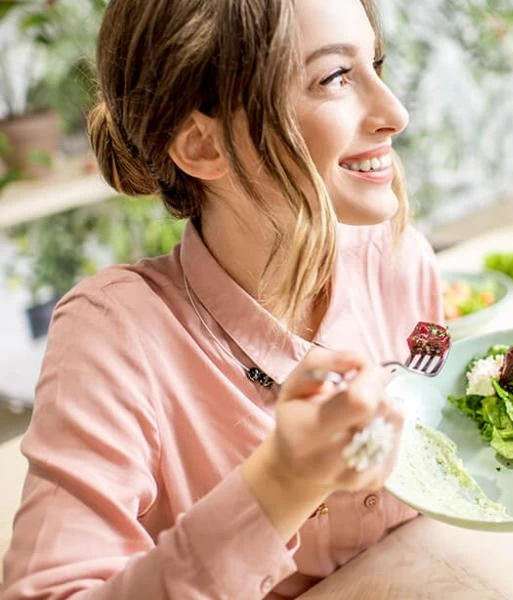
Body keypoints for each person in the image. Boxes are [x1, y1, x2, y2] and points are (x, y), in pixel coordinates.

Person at [1, 0, 443, 597]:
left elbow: (438, 435)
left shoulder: (401, 259)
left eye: (376, 65)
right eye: (335, 77)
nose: (396, 113)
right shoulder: (113, 334)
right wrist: (283, 482)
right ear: (203, 146)